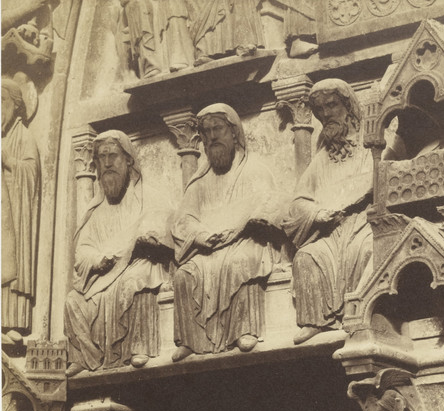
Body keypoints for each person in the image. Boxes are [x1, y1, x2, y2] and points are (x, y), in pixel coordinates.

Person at [172, 103, 278, 360]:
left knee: (239, 261)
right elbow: (184, 220)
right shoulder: (199, 182)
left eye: (217, 129)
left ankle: (244, 329)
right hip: (208, 248)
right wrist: (200, 235)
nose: (212, 137)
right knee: (184, 275)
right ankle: (192, 338)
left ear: (233, 133)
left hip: (244, 242)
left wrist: (247, 223)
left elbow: (268, 205)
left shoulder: (254, 172)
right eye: (206, 132)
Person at [64, 130, 173, 375]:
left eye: (113, 155)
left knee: (134, 282)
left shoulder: (147, 197)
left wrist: (148, 238)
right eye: (102, 158)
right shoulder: (96, 210)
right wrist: (97, 261)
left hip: (138, 263)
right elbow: (82, 251)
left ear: (128, 160)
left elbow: (164, 228)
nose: (107, 163)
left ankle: (138, 346)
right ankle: (85, 358)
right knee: (73, 301)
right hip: (103, 274)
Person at [284, 79, 373, 344]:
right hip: (330, 231)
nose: (326, 114)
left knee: (366, 249)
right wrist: (316, 214)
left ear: (348, 106)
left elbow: (387, 176)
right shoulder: (324, 156)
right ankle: (315, 321)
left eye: (332, 105)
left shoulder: (370, 143)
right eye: (320, 109)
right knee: (306, 257)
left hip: (363, 222)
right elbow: (299, 201)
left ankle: (362, 317)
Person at [1, 76, 40, 333]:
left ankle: (11, 323)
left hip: (15, 215)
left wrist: (8, 162)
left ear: (16, 105)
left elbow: (31, 171)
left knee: (11, 260)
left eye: (1, 101)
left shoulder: (24, 136)